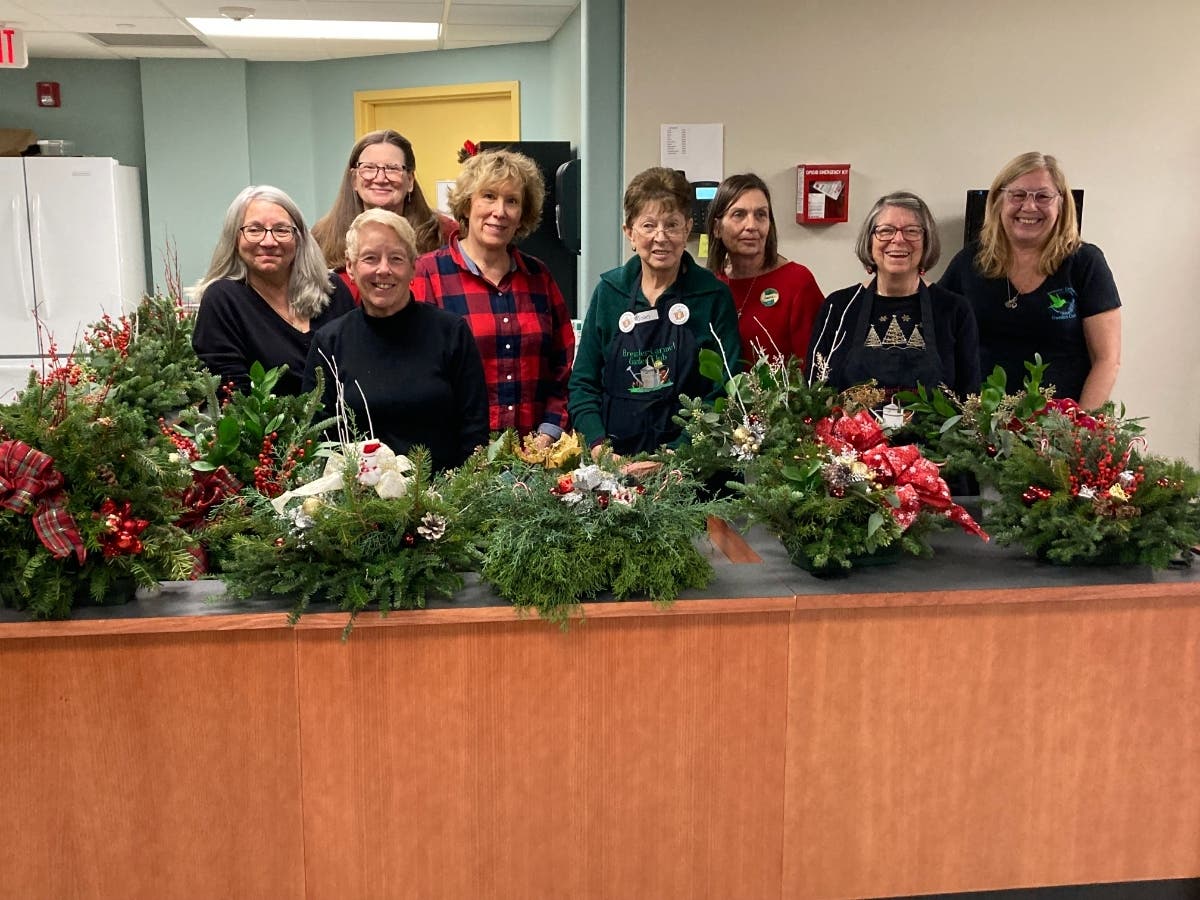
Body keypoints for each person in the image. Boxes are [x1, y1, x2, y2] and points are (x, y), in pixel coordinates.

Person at [569, 166, 742, 457]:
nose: (660, 237)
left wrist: (678, 454)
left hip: (689, 468)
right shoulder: (609, 292)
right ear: (630, 233)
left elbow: (725, 390)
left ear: (687, 229)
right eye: (648, 225)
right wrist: (598, 445)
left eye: (672, 225)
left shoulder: (712, 296)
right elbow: (583, 383)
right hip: (615, 465)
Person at [302, 209, 488, 472]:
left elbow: (474, 429)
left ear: (413, 268)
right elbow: (318, 437)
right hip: (356, 504)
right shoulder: (329, 343)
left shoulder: (451, 333)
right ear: (351, 267)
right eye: (370, 258)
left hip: (445, 503)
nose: (384, 270)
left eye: (396, 259)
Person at [411, 148, 573, 449]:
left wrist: (549, 431)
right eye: (488, 196)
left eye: (512, 201)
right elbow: (416, 375)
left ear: (523, 213)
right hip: (457, 461)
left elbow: (562, 368)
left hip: (534, 457)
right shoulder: (428, 275)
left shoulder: (539, 277)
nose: (500, 211)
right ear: (467, 204)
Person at [939, 151, 1121, 408]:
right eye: (1018, 194)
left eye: (1043, 196)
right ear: (998, 201)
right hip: (979, 425)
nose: (1029, 206)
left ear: (1061, 204)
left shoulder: (1085, 263)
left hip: (1058, 429)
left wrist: (1081, 428)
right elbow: (936, 333)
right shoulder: (970, 261)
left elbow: (1107, 360)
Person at [807, 191, 979, 400]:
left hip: (934, 433)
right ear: (870, 241)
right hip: (851, 431)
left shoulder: (954, 309)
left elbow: (969, 398)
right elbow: (814, 393)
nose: (898, 239)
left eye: (912, 231)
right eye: (886, 231)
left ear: (927, 241)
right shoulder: (839, 307)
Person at [192, 185, 354, 396]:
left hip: (348, 426)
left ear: (299, 238)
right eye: (254, 230)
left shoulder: (332, 289)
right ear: (235, 239)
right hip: (270, 429)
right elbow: (232, 396)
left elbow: (359, 368)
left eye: (281, 230)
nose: (269, 241)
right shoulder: (223, 300)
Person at [312, 130, 457, 302]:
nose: (380, 178)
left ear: (410, 180)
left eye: (392, 168)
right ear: (354, 179)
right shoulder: (322, 236)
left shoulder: (445, 233)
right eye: (369, 168)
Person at [705, 173, 824, 365]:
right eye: (739, 214)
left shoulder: (797, 282)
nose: (751, 226)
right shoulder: (711, 284)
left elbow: (814, 367)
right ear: (717, 227)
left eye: (761, 215)